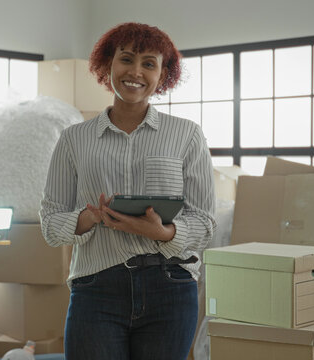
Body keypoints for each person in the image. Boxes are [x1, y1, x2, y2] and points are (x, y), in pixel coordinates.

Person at [39, 22, 216, 360]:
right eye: (126, 59)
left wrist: (164, 233)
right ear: (108, 64)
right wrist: (88, 218)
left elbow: (205, 223)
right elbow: (50, 224)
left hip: (171, 286)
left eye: (149, 63)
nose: (136, 72)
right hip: (96, 287)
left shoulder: (187, 135)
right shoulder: (74, 139)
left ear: (163, 75)